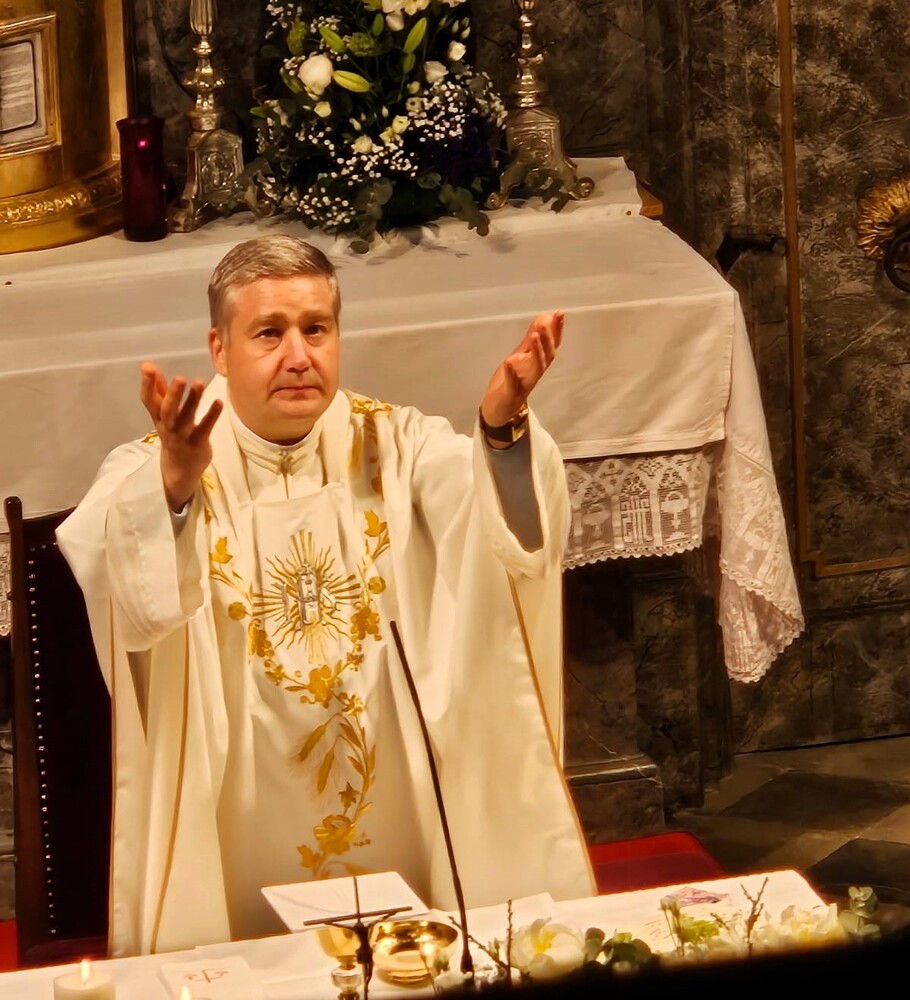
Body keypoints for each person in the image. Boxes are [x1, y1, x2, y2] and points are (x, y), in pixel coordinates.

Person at [57, 234, 596, 958]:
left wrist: (500, 434)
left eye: (316, 329)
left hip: (396, 805)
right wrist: (174, 492)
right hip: (236, 815)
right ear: (219, 349)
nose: (298, 355)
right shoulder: (157, 464)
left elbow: (503, 537)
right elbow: (115, 566)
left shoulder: (396, 444)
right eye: (269, 333)